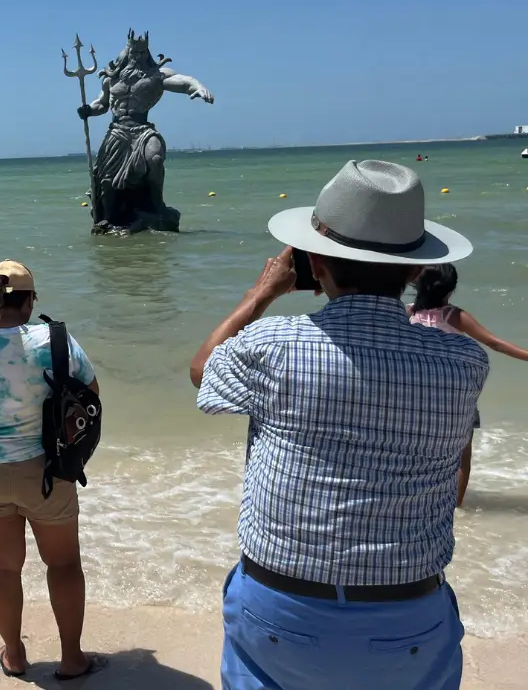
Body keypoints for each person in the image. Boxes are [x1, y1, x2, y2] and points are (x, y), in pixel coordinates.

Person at [190, 160, 487, 690]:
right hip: (408, 613)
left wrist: (261, 294)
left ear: (314, 262)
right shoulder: (463, 362)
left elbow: (203, 370)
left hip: (280, 606)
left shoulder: (272, 346)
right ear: (418, 270)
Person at [0, 261, 103, 681]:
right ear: (28, 300)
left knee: (3, 566)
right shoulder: (54, 340)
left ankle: (14, 655)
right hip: (46, 469)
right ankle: (71, 659)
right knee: (63, 564)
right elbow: (91, 396)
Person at [409, 263, 528, 506]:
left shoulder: (408, 313)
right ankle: (456, 505)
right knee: (462, 454)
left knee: (420, 450)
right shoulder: (452, 315)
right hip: (455, 395)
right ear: (450, 291)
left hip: (418, 396)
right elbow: (495, 343)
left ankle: (418, 497)